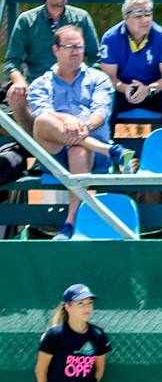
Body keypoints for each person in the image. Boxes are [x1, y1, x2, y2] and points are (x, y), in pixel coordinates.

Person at [30, 25, 135, 236]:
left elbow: (100, 113)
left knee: (77, 150)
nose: (76, 51)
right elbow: (41, 112)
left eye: (79, 46)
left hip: (93, 153)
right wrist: (66, 119)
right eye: (70, 46)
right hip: (55, 154)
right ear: (56, 50)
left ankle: (70, 222)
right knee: (42, 121)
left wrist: (80, 126)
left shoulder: (98, 79)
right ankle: (113, 151)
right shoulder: (41, 83)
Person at [6, 0, 98, 128]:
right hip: (39, 87)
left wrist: (82, 78)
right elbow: (11, 62)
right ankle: (31, 143)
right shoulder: (26, 21)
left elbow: (96, 57)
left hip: (75, 85)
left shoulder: (81, 18)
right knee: (15, 95)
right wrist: (19, 81)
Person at [97, 0, 162, 127]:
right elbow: (108, 78)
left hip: (153, 91)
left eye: (148, 14)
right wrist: (126, 89)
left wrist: (148, 90)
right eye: (138, 16)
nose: (145, 20)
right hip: (123, 91)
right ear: (126, 17)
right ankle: (105, 145)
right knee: (106, 96)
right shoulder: (110, 38)